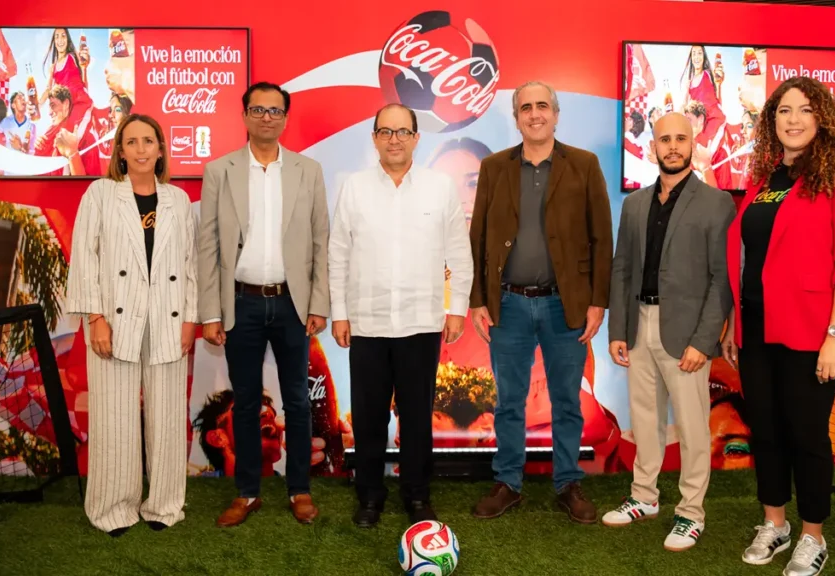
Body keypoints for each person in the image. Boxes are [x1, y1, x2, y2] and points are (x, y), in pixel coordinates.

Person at [723, 76, 835, 575]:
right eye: (784, 110)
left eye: (805, 109)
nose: (794, 119)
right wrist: (734, 323)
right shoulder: (767, 179)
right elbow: (749, 256)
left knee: (806, 434)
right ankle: (775, 524)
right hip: (757, 329)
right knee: (766, 430)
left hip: (813, 333)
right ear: (772, 121)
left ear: (822, 117)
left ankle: (812, 536)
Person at [468, 80, 613, 524]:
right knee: (509, 401)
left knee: (566, 401)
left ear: (556, 114)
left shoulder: (584, 165)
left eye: (543, 106)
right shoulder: (494, 167)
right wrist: (478, 299)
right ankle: (508, 483)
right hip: (508, 304)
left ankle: (568, 483)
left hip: (564, 305)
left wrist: (598, 302)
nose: (535, 114)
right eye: (526, 107)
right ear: (516, 118)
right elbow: (477, 237)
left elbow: (601, 236)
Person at [329, 103, 473, 527]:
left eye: (403, 132)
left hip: (420, 323)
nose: (394, 140)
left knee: (416, 418)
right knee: (368, 418)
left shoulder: (439, 187)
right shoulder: (354, 187)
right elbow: (338, 254)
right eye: (386, 132)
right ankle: (369, 496)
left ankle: (417, 495)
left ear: (416, 138)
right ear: (374, 138)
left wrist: (457, 309)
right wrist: (340, 313)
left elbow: (458, 253)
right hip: (367, 323)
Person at [197, 81, 330, 528]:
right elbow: (208, 246)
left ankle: (299, 490)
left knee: (297, 401)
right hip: (241, 303)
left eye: (275, 110)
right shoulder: (220, 171)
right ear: (245, 116)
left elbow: (321, 240)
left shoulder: (308, 170)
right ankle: (247, 493)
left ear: (285, 118)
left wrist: (318, 303)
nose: (267, 117)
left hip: (293, 303)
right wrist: (211, 313)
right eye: (258, 109)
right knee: (246, 403)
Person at [603, 113, 735, 551]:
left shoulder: (716, 203)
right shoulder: (635, 204)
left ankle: (691, 513)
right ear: (652, 147)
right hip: (640, 325)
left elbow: (722, 279)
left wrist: (703, 341)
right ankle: (644, 497)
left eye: (681, 138)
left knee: (693, 427)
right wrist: (618, 329)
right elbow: (622, 269)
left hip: (687, 333)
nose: (673, 146)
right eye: (665, 139)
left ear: (693, 144)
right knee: (644, 419)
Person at [64, 113, 197, 536]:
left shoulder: (178, 200)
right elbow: (84, 258)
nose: (141, 149)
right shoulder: (101, 194)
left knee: (167, 418)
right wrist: (95, 318)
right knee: (114, 417)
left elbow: (190, 265)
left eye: (148, 141)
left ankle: (164, 504)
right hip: (114, 321)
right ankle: (112, 508)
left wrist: (190, 318)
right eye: (132, 141)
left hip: (168, 318)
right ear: (120, 151)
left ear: (160, 149)